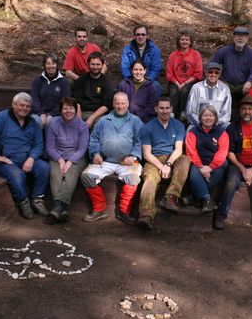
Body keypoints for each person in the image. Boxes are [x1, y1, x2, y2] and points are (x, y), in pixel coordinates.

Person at [0, 92, 50, 219]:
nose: (24, 108)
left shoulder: (33, 122)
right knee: (17, 175)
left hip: (26, 158)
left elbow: (39, 144)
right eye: (21, 105)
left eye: (28, 106)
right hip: (6, 161)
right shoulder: (1, 118)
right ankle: (23, 201)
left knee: (44, 168)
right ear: (13, 105)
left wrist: (31, 158)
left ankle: (37, 199)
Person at [80, 92, 143, 225]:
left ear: (128, 104)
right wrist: (95, 153)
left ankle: (124, 211)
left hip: (128, 161)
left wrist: (133, 156)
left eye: (123, 103)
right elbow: (94, 139)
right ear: (113, 104)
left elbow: (140, 141)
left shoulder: (135, 121)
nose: (120, 106)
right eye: (117, 103)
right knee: (86, 176)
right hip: (105, 160)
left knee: (134, 177)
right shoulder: (103, 120)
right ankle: (100, 209)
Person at [214, 95, 252, 231]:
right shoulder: (232, 128)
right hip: (238, 165)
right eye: (244, 109)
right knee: (230, 181)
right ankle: (220, 215)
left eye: (250, 109)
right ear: (240, 111)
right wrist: (243, 169)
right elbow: (229, 153)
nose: (247, 112)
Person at [137, 97, 191, 230]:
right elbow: (147, 154)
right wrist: (161, 166)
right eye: (161, 108)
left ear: (172, 109)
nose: (165, 111)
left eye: (167, 108)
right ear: (156, 109)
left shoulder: (178, 125)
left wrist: (168, 164)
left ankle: (171, 197)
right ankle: (146, 215)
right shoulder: (147, 127)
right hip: (154, 159)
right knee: (149, 179)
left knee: (185, 159)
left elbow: (178, 149)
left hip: (172, 157)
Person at [44, 97, 89, 225]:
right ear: (61, 110)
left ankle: (57, 208)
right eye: (65, 108)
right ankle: (62, 210)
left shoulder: (82, 126)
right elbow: (50, 147)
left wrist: (69, 161)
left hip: (77, 157)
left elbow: (82, 149)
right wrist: (60, 160)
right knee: (55, 174)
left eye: (71, 108)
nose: (68, 111)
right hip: (57, 156)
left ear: (75, 110)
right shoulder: (54, 124)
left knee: (71, 174)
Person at [185, 105, 229, 218]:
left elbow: (222, 152)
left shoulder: (222, 133)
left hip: (216, 165)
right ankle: (207, 200)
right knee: (194, 172)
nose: (208, 118)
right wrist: (201, 167)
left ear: (215, 118)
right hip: (198, 163)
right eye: (205, 115)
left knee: (221, 170)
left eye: (211, 115)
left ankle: (195, 197)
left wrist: (210, 167)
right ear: (200, 117)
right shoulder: (193, 132)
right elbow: (191, 151)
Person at [210, 27, 252, 101]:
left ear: (247, 38)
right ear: (233, 37)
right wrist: (216, 78)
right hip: (226, 83)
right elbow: (212, 65)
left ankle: (247, 111)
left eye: (243, 36)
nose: (240, 38)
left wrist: (250, 81)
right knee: (216, 88)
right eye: (238, 35)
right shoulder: (224, 51)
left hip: (243, 85)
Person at [71, 51, 114, 129]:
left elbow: (107, 105)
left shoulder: (106, 82)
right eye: (93, 64)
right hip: (82, 112)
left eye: (98, 64)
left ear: (102, 65)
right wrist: (79, 121)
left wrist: (92, 118)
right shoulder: (82, 80)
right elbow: (76, 102)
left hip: (99, 114)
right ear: (88, 64)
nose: (95, 67)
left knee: (101, 124)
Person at [166, 29, 203, 119]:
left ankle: (184, 112)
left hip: (190, 82)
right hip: (175, 82)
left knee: (186, 90)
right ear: (179, 41)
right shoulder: (173, 55)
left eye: (187, 40)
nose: (184, 42)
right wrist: (178, 84)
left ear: (190, 42)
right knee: (174, 91)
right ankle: (172, 113)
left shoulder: (195, 55)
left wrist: (185, 83)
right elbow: (169, 73)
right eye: (182, 39)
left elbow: (198, 73)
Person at [185, 61, 232, 129]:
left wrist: (213, 124)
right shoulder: (196, 87)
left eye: (216, 73)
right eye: (210, 72)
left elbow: (226, 113)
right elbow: (190, 111)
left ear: (220, 74)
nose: (213, 74)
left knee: (228, 126)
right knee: (190, 129)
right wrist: (203, 124)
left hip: (217, 125)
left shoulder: (225, 89)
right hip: (199, 124)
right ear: (205, 72)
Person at [120, 24, 162, 95]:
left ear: (147, 36)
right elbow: (124, 67)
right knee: (122, 85)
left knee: (156, 86)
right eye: (138, 34)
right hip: (132, 79)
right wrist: (131, 80)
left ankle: (154, 106)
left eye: (143, 34)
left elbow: (156, 68)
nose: (140, 37)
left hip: (149, 79)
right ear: (134, 36)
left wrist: (147, 80)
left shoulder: (154, 50)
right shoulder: (127, 50)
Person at [31, 52, 70, 127]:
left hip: (56, 114)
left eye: (53, 63)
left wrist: (52, 115)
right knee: (36, 122)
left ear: (57, 65)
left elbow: (63, 102)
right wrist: (41, 113)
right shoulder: (38, 80)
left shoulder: (63, 82)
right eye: (48, 63)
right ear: (44, 65)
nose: (51, 66)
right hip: (39, 113)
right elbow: (34, 99)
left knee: (51, 123)